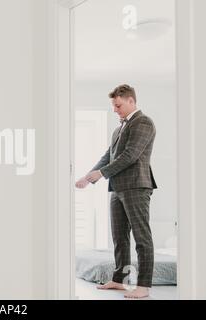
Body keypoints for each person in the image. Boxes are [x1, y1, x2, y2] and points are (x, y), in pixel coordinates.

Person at [75, 84, 157, 299]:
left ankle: (143, 286)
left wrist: (101, 173)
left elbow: (130, 155)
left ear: (131, 100)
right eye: (113, 106)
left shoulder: (143, 122)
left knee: (142, 237)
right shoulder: (119, 128)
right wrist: (88, 176)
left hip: (137, 186)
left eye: (118, 105)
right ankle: (119, 280)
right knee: (119, 237)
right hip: (118, 187)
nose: (115, 109)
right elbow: (109, 155)